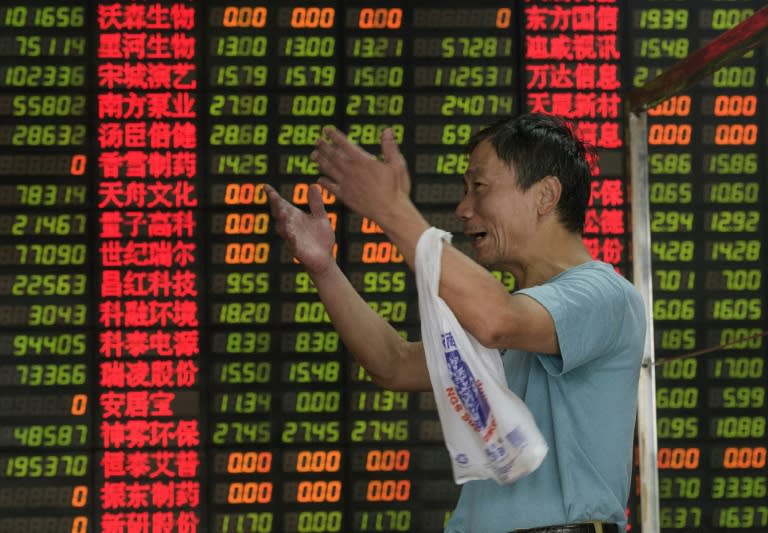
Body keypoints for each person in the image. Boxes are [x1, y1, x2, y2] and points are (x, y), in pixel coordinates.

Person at [265, 113, 645, 533]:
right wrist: (324, 269)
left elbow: (495, 320)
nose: (464, 209)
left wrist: (394, 212)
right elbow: (391, 363)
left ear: (545, 195)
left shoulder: (603, 295)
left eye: (479, 187)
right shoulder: (515, 317)